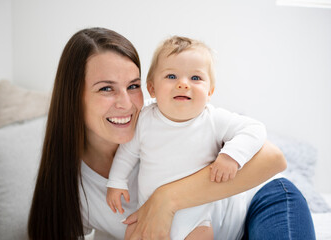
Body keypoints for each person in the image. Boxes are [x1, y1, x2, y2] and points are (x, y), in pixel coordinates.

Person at [27, 27, 315, 240]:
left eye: (133, 85)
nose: (127, 103)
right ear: (73, 97)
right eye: (106, 88)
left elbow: (275, 159)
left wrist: (167, 199)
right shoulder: (73, 190)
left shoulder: (167, 118)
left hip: (261, 201)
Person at [106, 36, 267, 240]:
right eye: (171, 76)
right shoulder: (145, 117)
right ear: (152, 88)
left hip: (196, 217)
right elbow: (127, 152)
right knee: (132, 233)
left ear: (210, 92)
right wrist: (117, 181)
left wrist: (231, 156)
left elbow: (255, 129)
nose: (183, 84)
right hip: (149, 212)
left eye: (195, 78)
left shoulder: (213, 119)